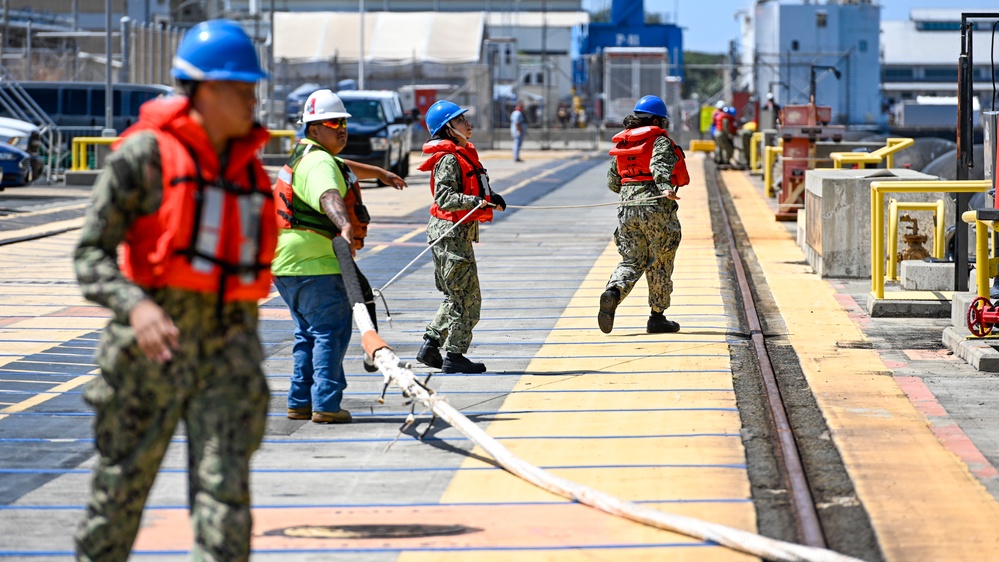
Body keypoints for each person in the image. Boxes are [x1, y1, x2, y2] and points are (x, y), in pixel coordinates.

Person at [73, 20, 274, 561]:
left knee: (225, 503)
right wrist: (133, 305)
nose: (254, 102)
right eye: (244, 90)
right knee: (116, 502)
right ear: (207, 90)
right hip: (149, 357)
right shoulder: (143, 157)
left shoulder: (248, 170)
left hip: (226, 359)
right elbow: (89, 254)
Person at [272, 89, 406, 425]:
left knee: (308, 333)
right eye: (333, 123)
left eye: (343, 122)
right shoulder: (319, 163)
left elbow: (343, 169)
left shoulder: (308, 156)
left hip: (287, 263)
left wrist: (380, 173)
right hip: (317, 261)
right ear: (314, 129)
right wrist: (344, 223)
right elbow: (329, 193)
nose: (342, 128)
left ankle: (299, 401)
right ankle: (327, 403)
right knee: (331, 331)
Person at [415, 100, 506, 373]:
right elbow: (444, 197)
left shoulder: (460, 154)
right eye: (460, 120)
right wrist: (477, 200)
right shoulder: (449, 158)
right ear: (448, 129)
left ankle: (432, 345)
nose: (467, 123)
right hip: (450, 235)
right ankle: (454, 355)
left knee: (456, 296)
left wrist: (490, 199)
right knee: (469, 299)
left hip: (453, 235)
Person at [598, 94, 688, 335]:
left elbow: (613, 182)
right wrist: (665, 188)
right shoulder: (659, 141)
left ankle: (613, 292)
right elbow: (660, 166)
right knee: (661, 258)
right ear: (658, 121)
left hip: (626, 206)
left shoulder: (624, 143)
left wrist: (632, 189)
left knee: (632, 259)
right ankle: (657, 316)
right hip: (655, 204)